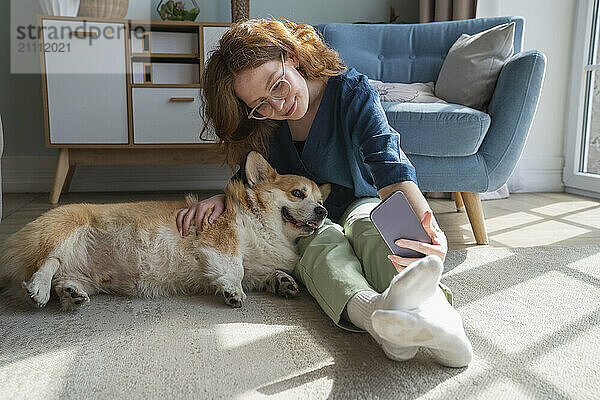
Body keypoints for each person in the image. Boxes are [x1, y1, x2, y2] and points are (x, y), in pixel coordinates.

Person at [176, 18, 473, 367]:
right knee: (321, 247)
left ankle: (438, 316)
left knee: (369, 229)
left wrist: (425, 226)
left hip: (362, 200)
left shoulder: (351, 91)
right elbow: (254, 180)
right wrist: (223, 198)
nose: (277, 105)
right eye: (260, 104)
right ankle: (378, 318)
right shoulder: (264, 122)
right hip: (304, 218)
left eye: (278, 85)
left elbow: (388, 164)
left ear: (292, 56)